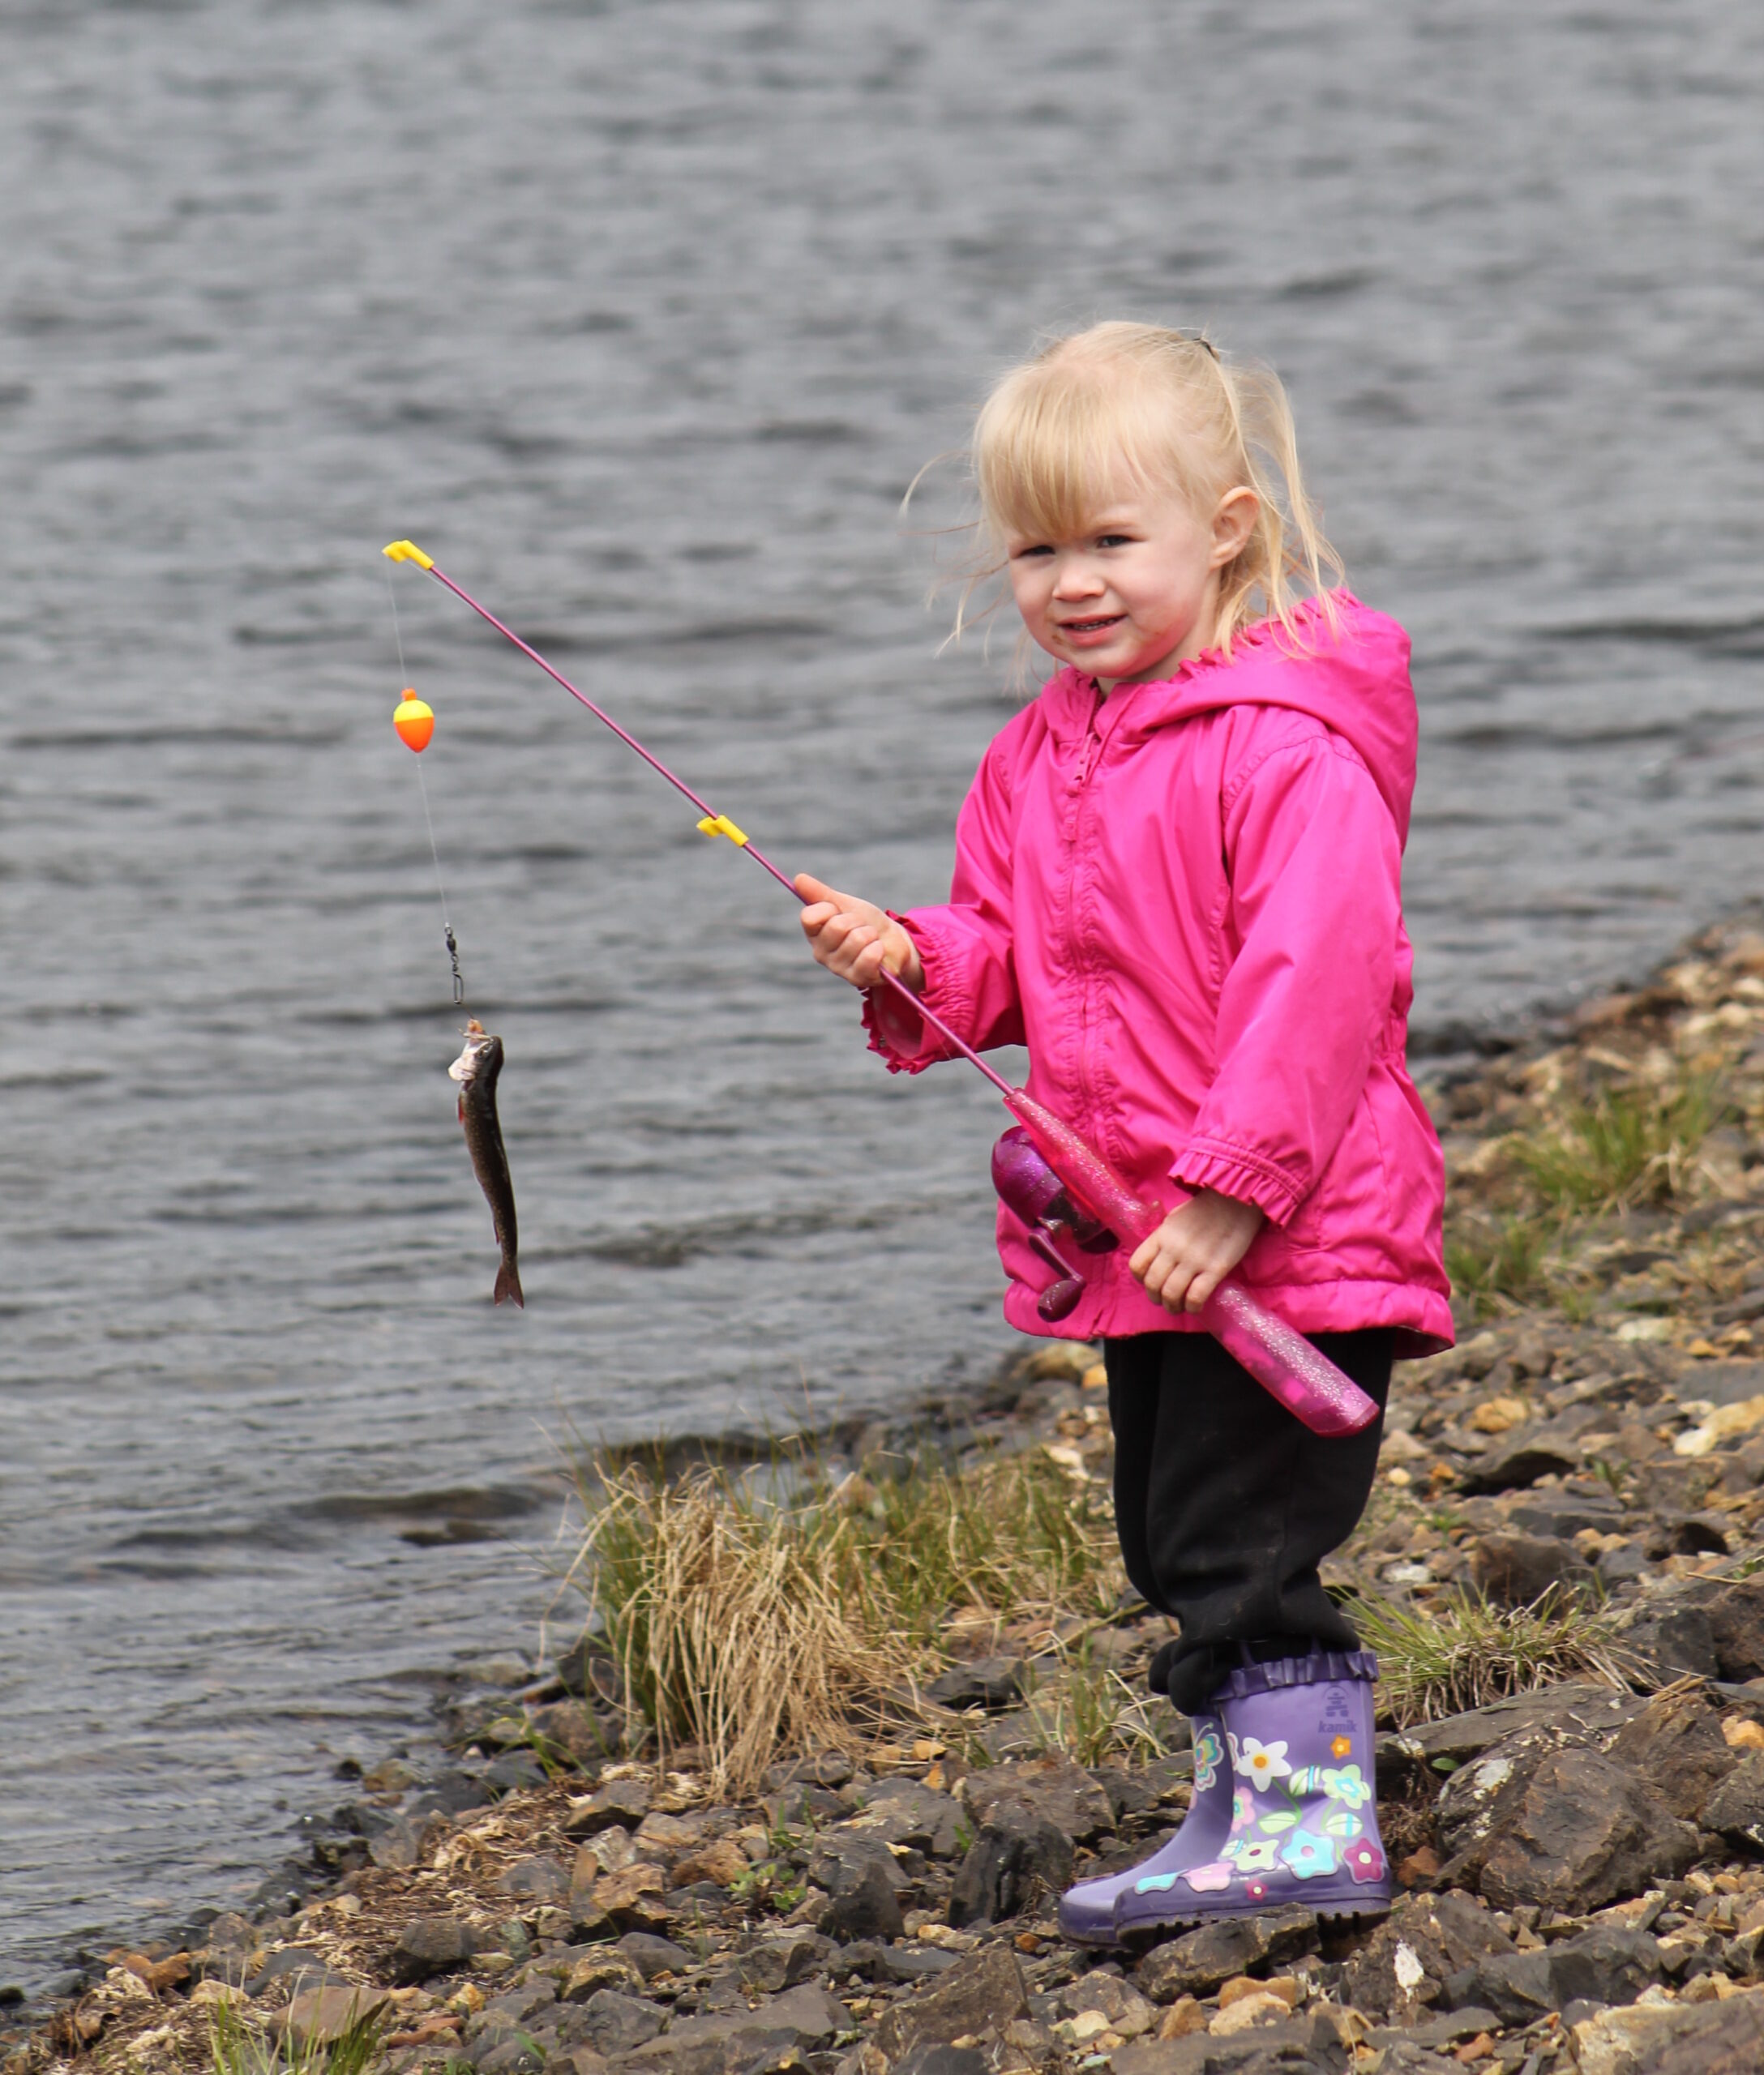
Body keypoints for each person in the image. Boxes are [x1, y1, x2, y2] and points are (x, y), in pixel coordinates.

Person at [797, 322, 1451, 1942]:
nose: (1070, 583)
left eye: (1109, 541)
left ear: (1224, 529)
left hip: (1280, 1227)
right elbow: (1010, 958)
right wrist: (913, 957)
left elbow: (1320, 982)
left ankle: (1307, 1826)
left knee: (1244, 1540)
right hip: (1140, 1228)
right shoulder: (1038, 754)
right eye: (1036, 551)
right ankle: (1244, 1802)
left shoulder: (1283, 740)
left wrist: (1235, 1190)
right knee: (1171, 1535)